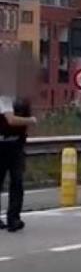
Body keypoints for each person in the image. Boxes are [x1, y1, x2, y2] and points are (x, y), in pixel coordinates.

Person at [0, 52, 38, 233]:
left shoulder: (22, 97)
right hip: (2, 144)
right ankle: (11, 218)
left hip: (15, 145)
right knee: (8, 181)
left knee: (17, 181)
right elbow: (11, 120)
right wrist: (31, 120)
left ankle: (14, 218)